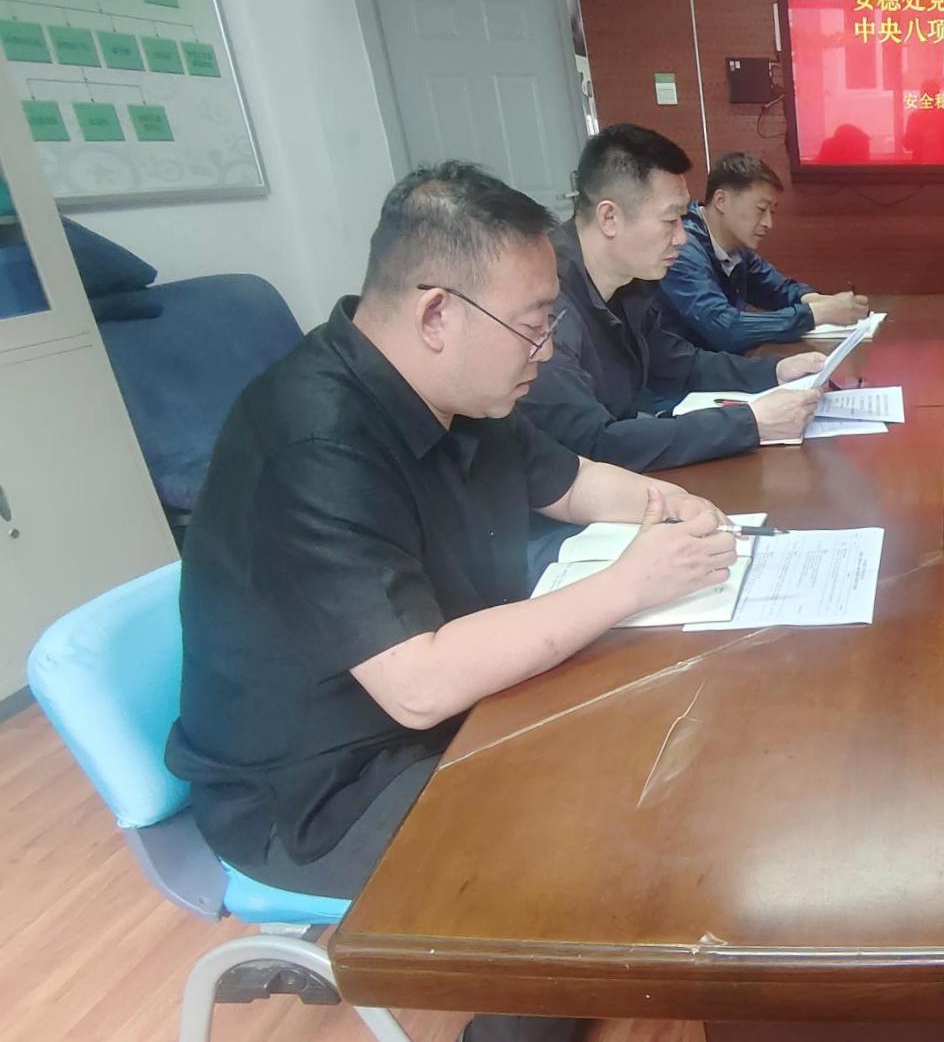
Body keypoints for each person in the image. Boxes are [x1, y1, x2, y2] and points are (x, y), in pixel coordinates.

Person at [168, 162, 739, 1042]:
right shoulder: (312, 441)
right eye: (532, 324)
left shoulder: (458, 390)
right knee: (588, 819)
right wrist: (630, 583)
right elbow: (419, 684)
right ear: (438, 313)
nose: (545, 349)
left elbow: (571, 481)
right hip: (320, 791)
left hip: (437, 718)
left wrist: (677, 509)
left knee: (658, 734)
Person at [521, 124, 825, 475]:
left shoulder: (630, 281)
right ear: (609, 218)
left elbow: (681, 364)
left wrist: (775, 371)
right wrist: (751, 423)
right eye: (671, 220)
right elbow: (594, 443)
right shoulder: (544, 302)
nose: (682, 238)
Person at [659, 151, 869, 352]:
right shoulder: (681, 249)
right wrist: (816, 314)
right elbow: (726, 329)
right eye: (760, 209)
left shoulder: (736, 249)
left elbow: (778, 289)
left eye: (772, 212)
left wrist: (817, 300)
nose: (768, 223)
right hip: (681, 374)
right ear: (721, 201)